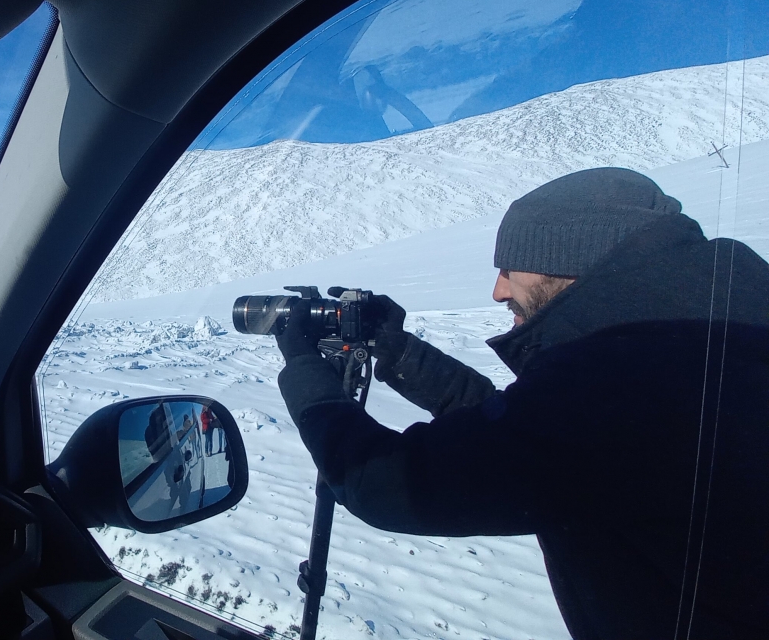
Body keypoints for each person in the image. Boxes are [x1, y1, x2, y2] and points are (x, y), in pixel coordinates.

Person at [275, 168, 769, 638]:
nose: (498, 290)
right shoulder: (705, 333)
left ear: (569, 255)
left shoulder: (622, 378)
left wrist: (304, 369)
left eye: (510, 268)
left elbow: (384, 482)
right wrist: (400, 350)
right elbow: (525, 435)